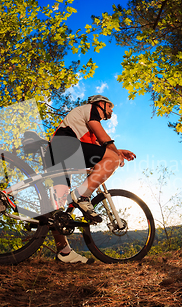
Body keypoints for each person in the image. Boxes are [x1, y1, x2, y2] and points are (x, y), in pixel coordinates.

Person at [47, 95, 136, 264]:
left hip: (56, 150)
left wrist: (118, 150)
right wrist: (116, 155)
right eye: (110, 106)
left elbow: (96, 149)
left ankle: (64, 252)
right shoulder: (91, 111)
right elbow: (105, 141)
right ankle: (81, 196)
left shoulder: (83, 127)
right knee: (113, 160)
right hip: (66, 145)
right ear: (100, 104)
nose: (111, 110)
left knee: (57, 207)